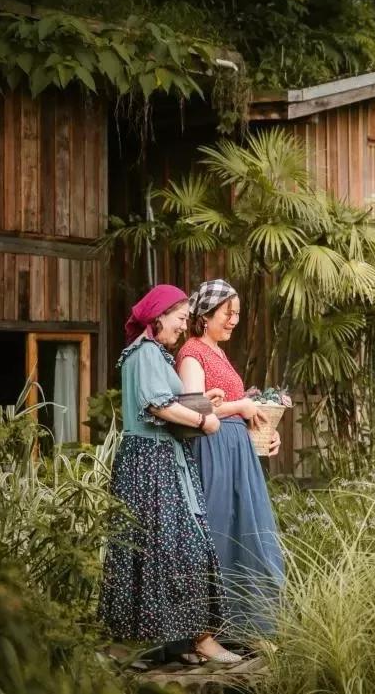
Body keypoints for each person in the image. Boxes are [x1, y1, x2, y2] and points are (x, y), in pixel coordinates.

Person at [98, 284, 242, 664]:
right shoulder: (145, 353)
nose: (183, 326)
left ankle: (180, 641)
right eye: (180, 319)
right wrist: (203, 420)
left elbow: (167, 398)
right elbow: (157, 405)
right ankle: (175, 641)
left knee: (168, 550)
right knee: (177, 547)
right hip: (151, 461)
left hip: (161, 458)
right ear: (158, 317)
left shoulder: (154, 355)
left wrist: (203, 400)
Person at [176, 279, 284, 645]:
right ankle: (206, 634)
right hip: (213, 453)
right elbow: (192, 408)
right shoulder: (193, 353)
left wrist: (266, 431)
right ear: (205, 315)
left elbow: (236, 407)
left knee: (249, 535)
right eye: (228, 313)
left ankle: (246, 627)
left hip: (238, 453)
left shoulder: (219, 353)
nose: (234, 320)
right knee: (220, 533)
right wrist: (241, 407)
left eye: (237, 313)